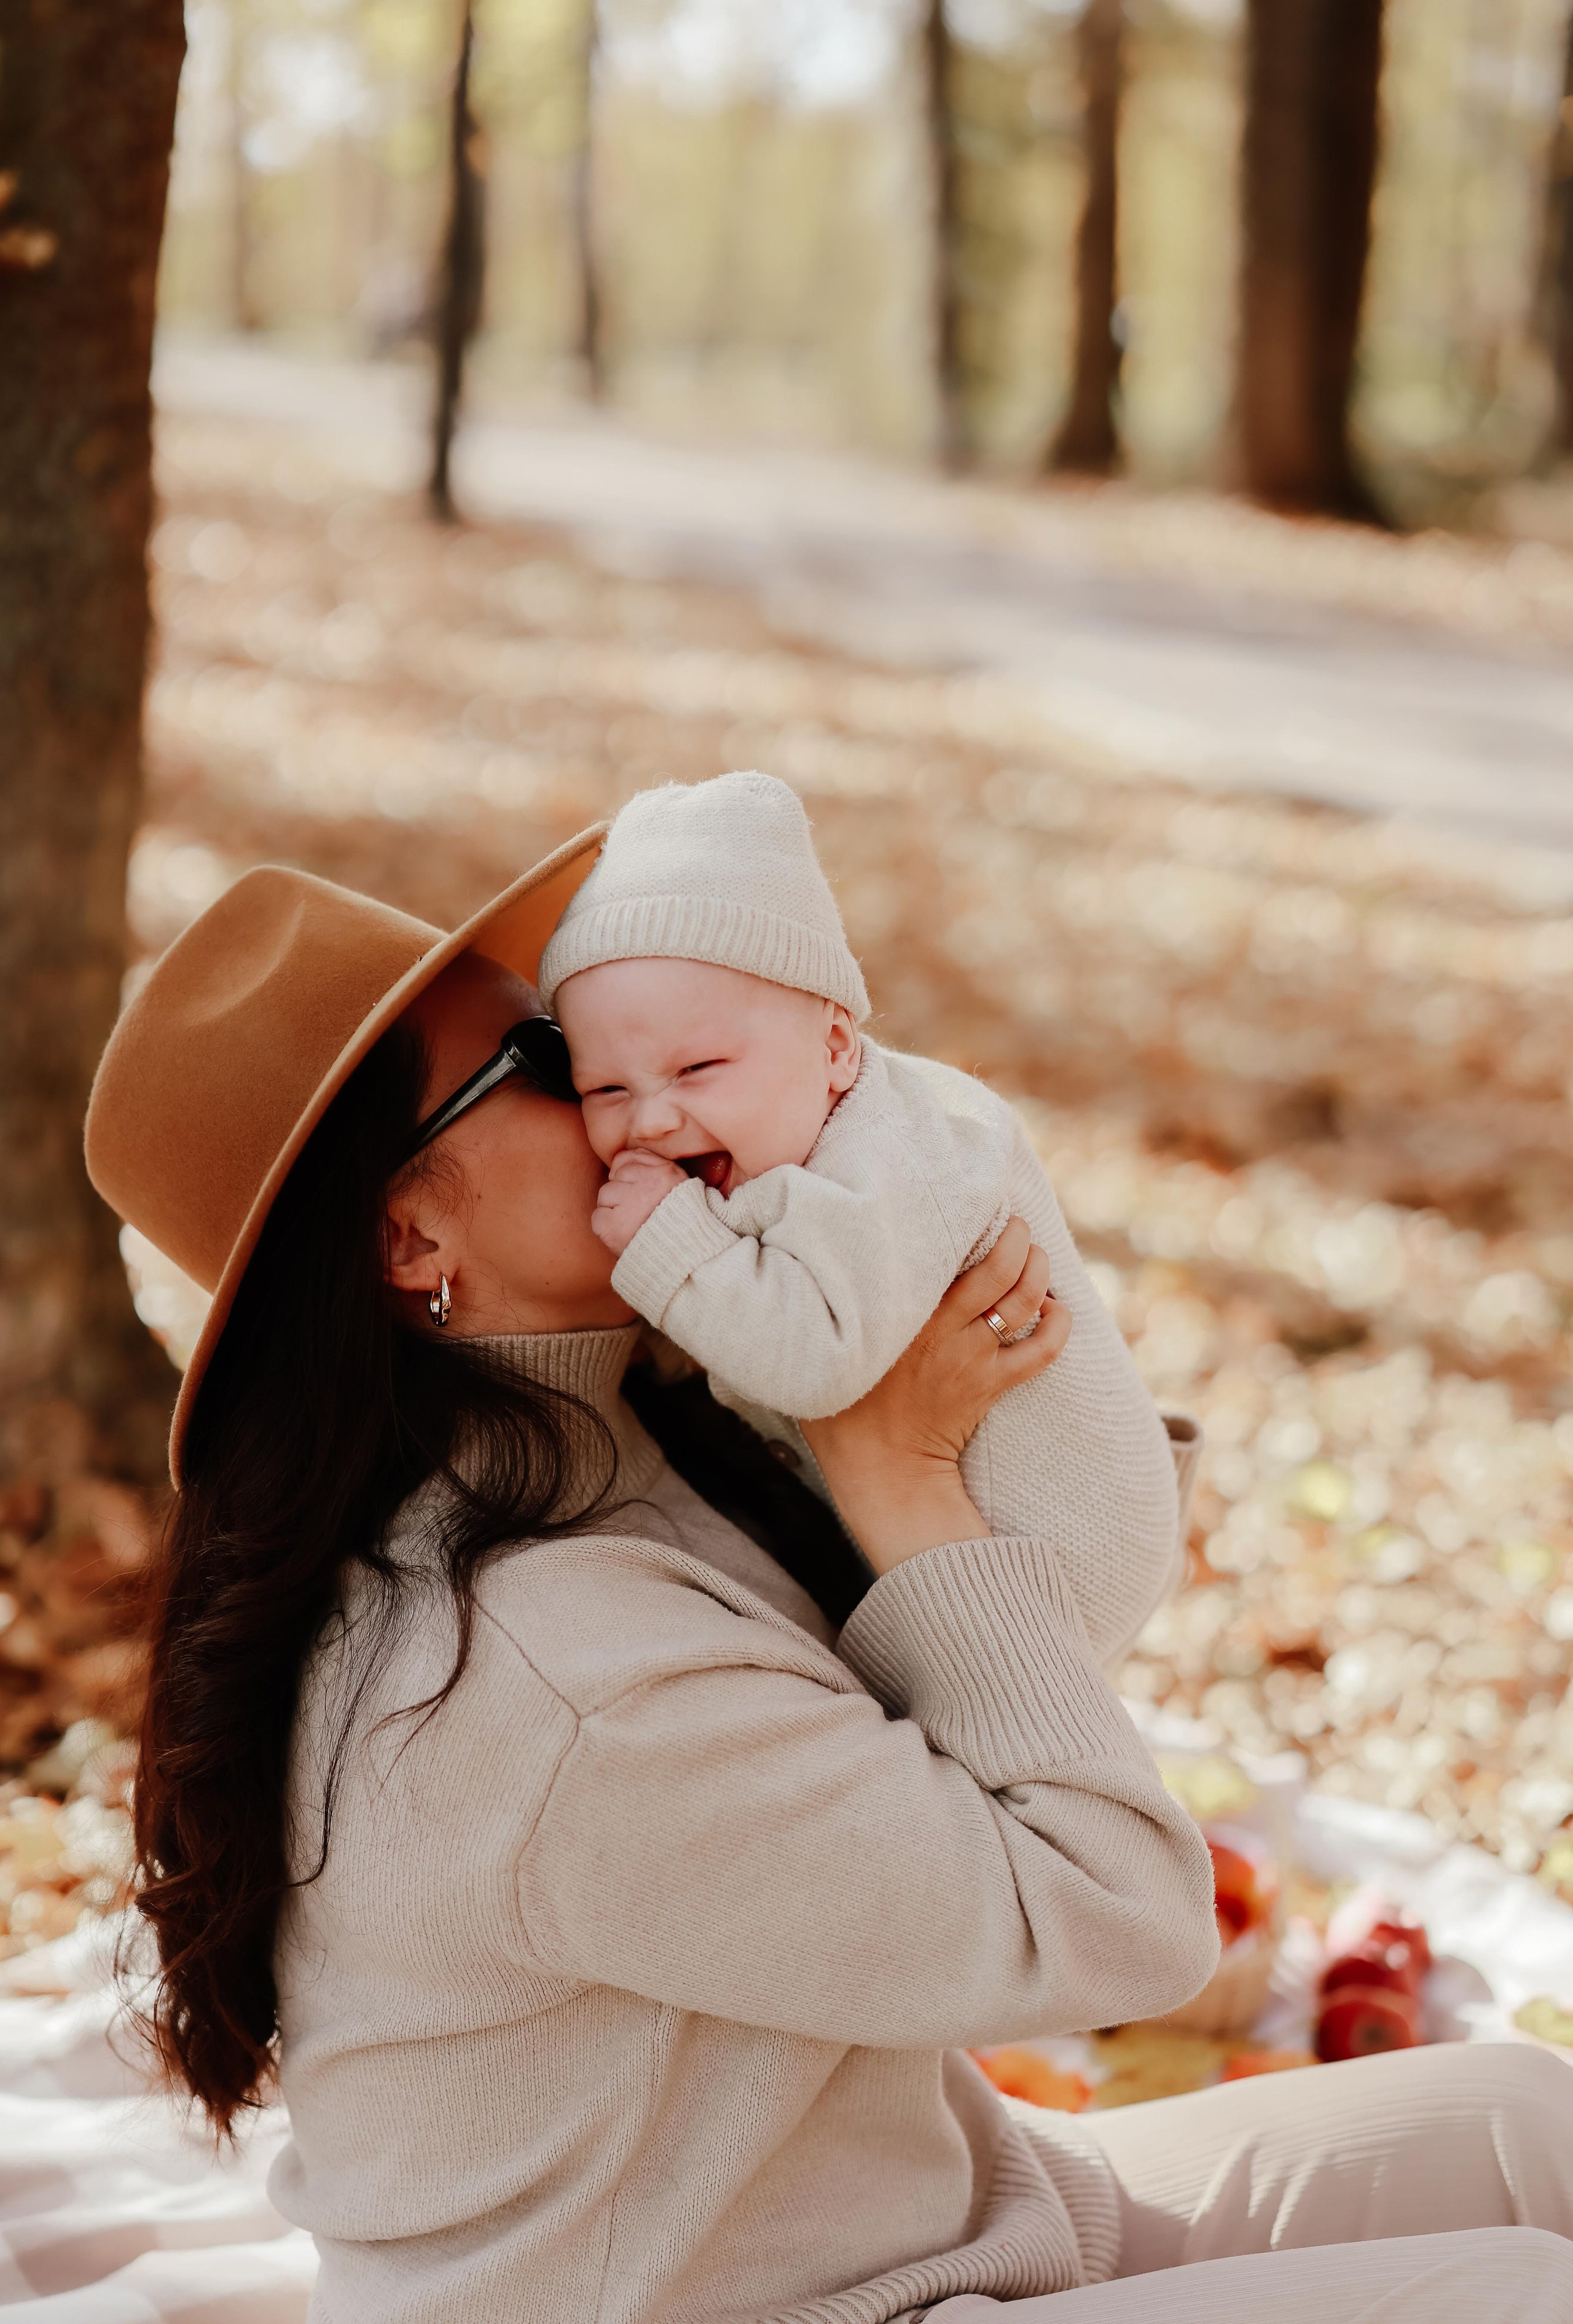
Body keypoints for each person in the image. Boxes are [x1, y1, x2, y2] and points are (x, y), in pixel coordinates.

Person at [83, 837, 1573, 2324]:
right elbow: (1115, 1919)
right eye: (547, 1055)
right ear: (410, 1233)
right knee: (1507, 2297)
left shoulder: (625, 1427)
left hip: (924, 2214)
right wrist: (895, 1475)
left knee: (1532, 2123)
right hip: (782, 2304)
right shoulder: (553, 1676)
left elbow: (1034, 1629)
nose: (621, 1071)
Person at [541, 769, 1193, 1664]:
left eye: (697, 1072)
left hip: (1060, 1557)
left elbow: (813, 1364)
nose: (650, 1119)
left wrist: (670, 1246)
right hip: (965, 1536)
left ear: (837, 1046)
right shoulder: (786, 1134)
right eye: (606, 1088)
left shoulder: (901, 1154)